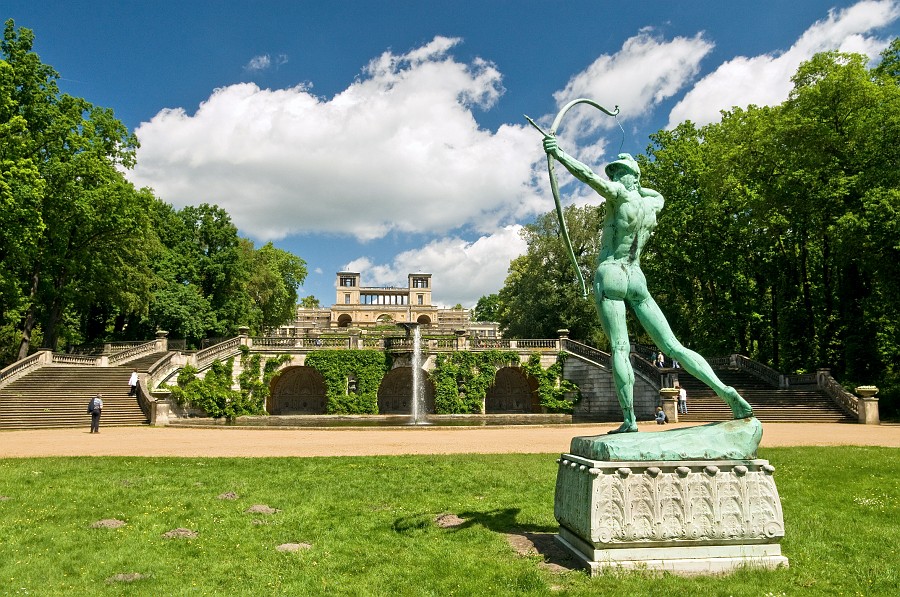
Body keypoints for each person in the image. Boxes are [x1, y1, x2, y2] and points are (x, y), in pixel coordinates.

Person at [542, 137, 753, 433]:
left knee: (619, 348)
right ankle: (726, 391)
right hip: (636, 277)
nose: (614, 176)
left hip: (612, 272)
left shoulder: (619, 195)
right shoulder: (651, 204)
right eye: (613, 172)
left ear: (631, 176)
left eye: (619, 172)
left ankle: (629, 420)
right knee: (673, 346)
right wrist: (637, 183)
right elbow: (657, 194)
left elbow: (588, 176)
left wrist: (559, 153)